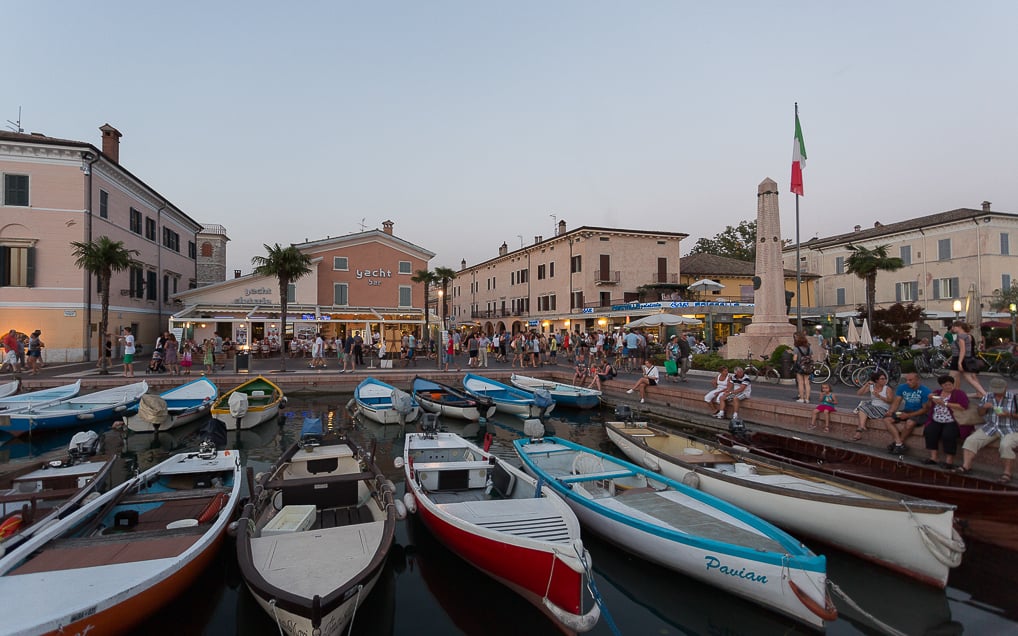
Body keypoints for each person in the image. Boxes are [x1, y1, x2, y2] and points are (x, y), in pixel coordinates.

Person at [954, 377, 1018, 482]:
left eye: (999, 390)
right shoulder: (988, 396)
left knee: (1006, 445)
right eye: (995, 390)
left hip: (1010, 428)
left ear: (1005, 388)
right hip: (991, 426)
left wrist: (1008, 414)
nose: (997, 393)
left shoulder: (1014, 398)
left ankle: (1007, 473)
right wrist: (984, 407)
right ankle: (966, 466)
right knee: (971, 440)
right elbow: (980, 413)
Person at [923, 375, 968, 468]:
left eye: (950, 384)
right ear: (941, 385)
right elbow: (928, 406)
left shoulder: (959, 393)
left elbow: (963, 406)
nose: (949, 386)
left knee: (948, 435)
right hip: (936, 418)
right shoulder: (937, 392)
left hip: (951, 420)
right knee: (929, 431)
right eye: (946, 385)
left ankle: (949, 461)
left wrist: (946, 404)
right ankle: (934, 457)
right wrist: (930, 398)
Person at [882, 372, 933, 454]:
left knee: (910, 423)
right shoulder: (903, 387)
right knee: (887, 419)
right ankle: (898, 443)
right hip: (907, 410)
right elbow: (897, 401)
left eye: (910, 380)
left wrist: (908, 415)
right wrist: (891, 411)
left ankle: (898, 444)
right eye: (906, 380)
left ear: (917, 380)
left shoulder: (925, 391)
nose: (907, 382)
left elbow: (925, 409)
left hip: (920, 412)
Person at [948, 321, 986, 398]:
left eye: (954, 327)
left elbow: (962, 350)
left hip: (960, 359)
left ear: (959, 327)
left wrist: (959, 362)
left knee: (952, 378)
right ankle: (985, 394)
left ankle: (952, 395)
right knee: (969, 378)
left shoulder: (961, 336)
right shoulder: (966, 336)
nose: (953, 328)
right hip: (964, 358)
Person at [852, 372, 892, 441]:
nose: (884, 380)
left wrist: (879, 396)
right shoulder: (872, 387)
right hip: (872, 407)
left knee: (862, 409)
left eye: (885, 379)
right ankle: (861, 428)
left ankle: (860, 430)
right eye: (882, 379)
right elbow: (859, 393)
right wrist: (865, 385)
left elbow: (890, 401)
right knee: (863, 409)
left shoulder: (887, 389)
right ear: (876, 380)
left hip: (883, 409)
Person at [792, 331, 814, 403]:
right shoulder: (809, 347)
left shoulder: (796, 348)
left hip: (800, 367)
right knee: (807, 383)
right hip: (808, 366)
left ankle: (801, 398)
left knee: (800, 382)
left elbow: (795, 358)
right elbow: (811, 356)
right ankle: (807, 398)